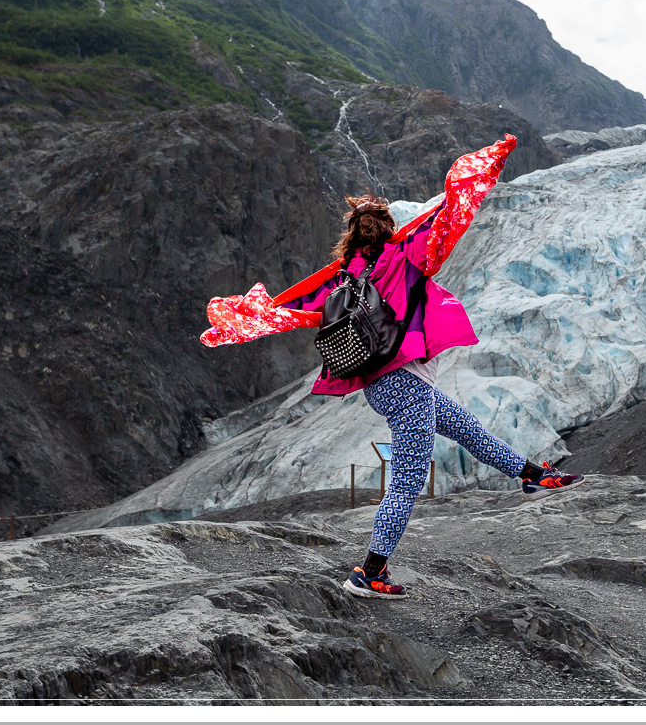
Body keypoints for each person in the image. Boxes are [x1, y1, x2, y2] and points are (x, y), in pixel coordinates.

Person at [199, 136, 584, 600]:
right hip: (407, 381)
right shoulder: (405, 257)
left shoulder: (341, 279)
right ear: (388, 229)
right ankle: (369, 572)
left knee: (466, 429)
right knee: (408, 478)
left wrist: (242, 317)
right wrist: (490, 161)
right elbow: (451, 215)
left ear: (353, 235)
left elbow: (292, 308)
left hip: (381, 383)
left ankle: (530, 476)